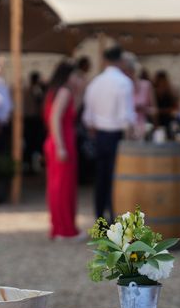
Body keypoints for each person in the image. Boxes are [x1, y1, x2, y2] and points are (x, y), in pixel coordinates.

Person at [83, 45, 135, 221]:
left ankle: (100, 218)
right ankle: (114, 217)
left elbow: (88, 116)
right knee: (116, 179)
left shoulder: (95, 82)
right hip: (116, 135)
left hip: (99, 135)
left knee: (100, 179)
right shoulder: (123, 82)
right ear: (120, 61)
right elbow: (126, 117)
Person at [44, 60, 81, 239]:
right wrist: (61, 146)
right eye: (75, 75)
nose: (77, 78)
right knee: (63, 188)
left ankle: (60, 227)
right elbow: (55, 118)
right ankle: (65, 229)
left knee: (57, 186)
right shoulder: (65, 91)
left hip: (58, 141)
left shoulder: (55, 91)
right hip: (62, 141)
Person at [122, 52, 156, 140]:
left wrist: (144, 109)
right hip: (125, 131)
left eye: (129, 71)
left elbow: (154, 111)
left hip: (142, 130)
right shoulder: (121, 88)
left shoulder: (146, 85)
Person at [23, 71, 46, 174]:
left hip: (28, 119)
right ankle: (32, 166)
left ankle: (29, 166)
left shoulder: (26, 89)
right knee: (34, 144)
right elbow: (39, 101)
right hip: (34, 120)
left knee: (29, 144)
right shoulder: (36, 90)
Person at [154, 70, 179, 139]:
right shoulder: (154, 93)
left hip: (168, 120)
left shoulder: (169, 93)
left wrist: (162, 111)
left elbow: (175, 107)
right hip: (158, 121)